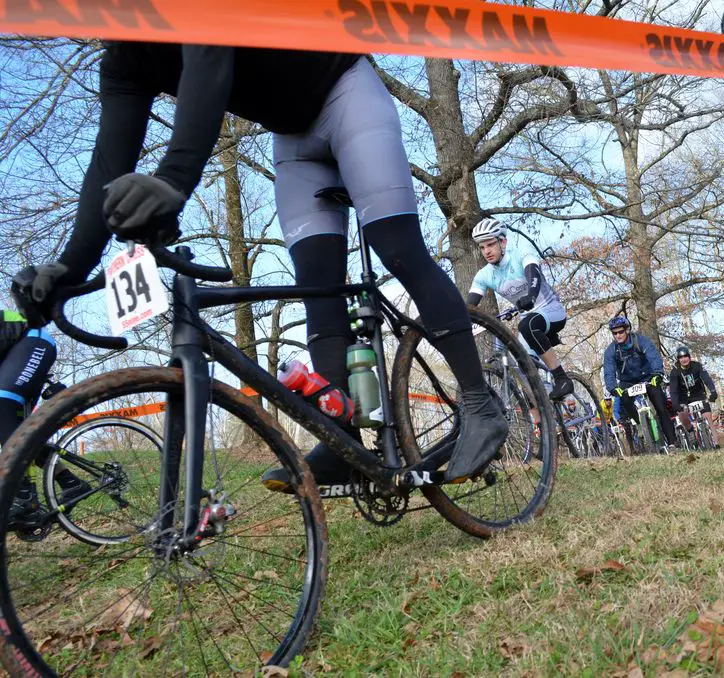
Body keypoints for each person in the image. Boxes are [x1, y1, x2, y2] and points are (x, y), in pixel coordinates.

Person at [10, 43, 507, 489]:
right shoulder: (122, 58)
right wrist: (69, 268)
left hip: (346, 93)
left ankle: (480, 403)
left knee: (395, 244)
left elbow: (209, 62)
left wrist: (173, 183)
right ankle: (341, 439)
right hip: (293, 138)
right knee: (316, 285)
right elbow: (107, 164)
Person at [0, 311, 91, 534]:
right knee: (17, 430)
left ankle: (24, 496)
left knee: (2, 405)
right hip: (14, 353)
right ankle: (70, 482)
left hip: (32, 339)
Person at [466, 219, 573, 399]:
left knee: (527, 325)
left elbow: (533, 273)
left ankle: (562, 378)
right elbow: (469, 307)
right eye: (482, 247)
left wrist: (531, 296)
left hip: (551, 310)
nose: (486, 251)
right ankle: (546, 413)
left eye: (491, 244)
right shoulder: (484, 275)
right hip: (528, 318)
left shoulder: (521, 253)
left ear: (503, 242)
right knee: (521, 365)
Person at [602, 317, 677, 448]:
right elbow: (609, 371)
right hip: (627, 381)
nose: (618, 335)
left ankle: (672, 443)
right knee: (624, 400)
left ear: (627, 330)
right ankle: (639, 424)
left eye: (620, 332)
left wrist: (658, 373)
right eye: (615, 333)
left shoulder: (641, 341)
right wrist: (612, 387)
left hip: (647, 377)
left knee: (661, 407)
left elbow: (653, 356)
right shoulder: (611, 350)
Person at [668, 345, 719, 449]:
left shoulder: (697, 366)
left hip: (699, 395)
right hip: (684, 398)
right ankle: (690, 430)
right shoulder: (675, 371)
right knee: (682, 414)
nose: (684, 359)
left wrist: (713, 391)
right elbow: (673, 389)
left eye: (686, 356)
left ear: (689, 357)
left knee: (708, 417)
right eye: (681, 357)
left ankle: (716, 444)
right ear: (678, 359)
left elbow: (707, 379)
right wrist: (675, 403)